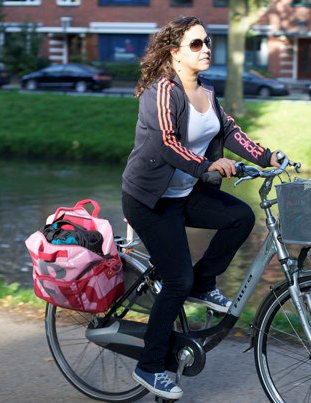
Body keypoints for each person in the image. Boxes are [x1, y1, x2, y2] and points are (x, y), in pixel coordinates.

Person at [121, 15, 281, 400]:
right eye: (196, 44)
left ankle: (206, 283)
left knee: (239, 217)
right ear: (175, 53)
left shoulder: (207, 92)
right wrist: (207, 165)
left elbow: (229, 131)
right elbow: (166, 142)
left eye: (207, 42)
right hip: (150, 199)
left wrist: (267, 156)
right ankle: (150, 365)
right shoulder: (161, 91)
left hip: (185, 192)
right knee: (177, 280)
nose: (206, 48)